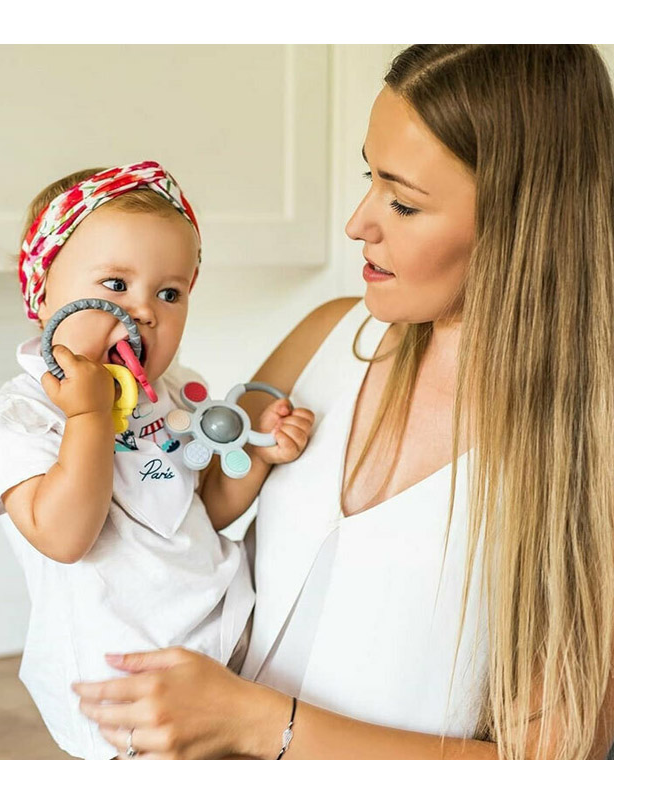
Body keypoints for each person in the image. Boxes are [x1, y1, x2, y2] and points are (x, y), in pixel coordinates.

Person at [71, 45, 614, 760]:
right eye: (370, 178)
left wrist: (257, 724)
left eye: (403, 202)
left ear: (526, 219)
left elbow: (550, 764)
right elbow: (177, 518)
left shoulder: (605, 440)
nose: (359, 223)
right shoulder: (324, 338)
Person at [0, 161, 315, 759]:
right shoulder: (17, 419)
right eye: (115, 285)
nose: (143, 312)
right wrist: (89, 415)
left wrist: (261, 454)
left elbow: (203, 511)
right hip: (124, 685)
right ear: (42, 295)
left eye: (169, 293)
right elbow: (65, 537)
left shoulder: (171, 393)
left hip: (228, 642)